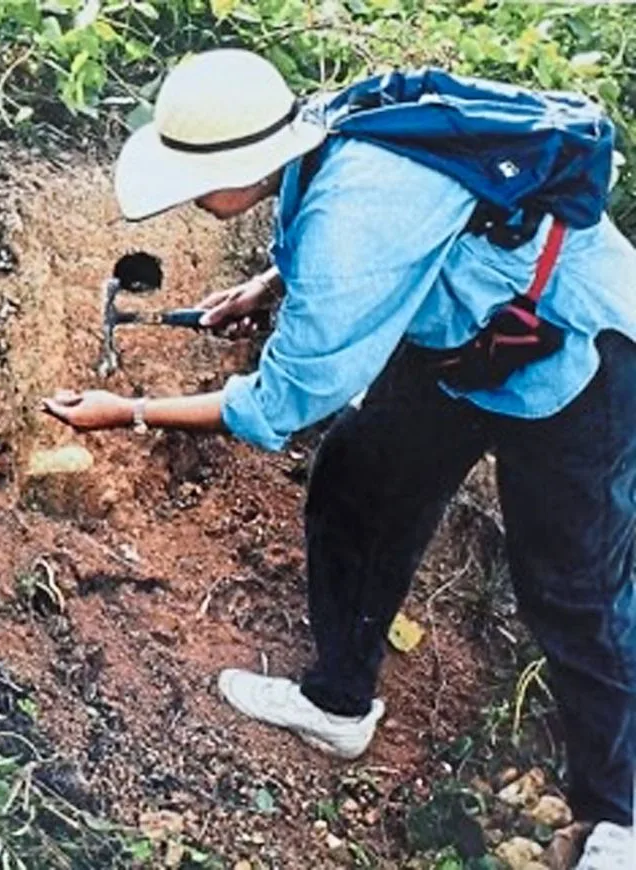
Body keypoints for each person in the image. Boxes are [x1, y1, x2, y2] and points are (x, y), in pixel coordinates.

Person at [42, 49, 636, 869]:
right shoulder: (325, 131)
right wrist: (265, 286)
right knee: (359, 483)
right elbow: (374, 230)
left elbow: (281, 404)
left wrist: (130, 412)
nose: (187, 197)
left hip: (579, 353)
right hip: (463, 336)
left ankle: (619, 816)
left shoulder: (358, 216)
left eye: (194, 180)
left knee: (575, 591)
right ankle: (338, 704)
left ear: (244, 164)